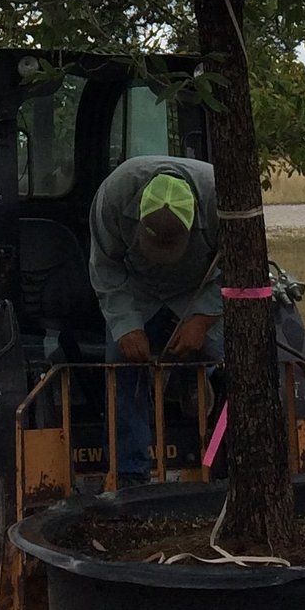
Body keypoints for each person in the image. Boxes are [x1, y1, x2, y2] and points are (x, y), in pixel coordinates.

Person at [88, 155, 223, 482]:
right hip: (137, 291)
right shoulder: (113, 196)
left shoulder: (220, 199)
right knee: (121, 367)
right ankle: (129, 475)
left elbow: (242, 266)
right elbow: (104, 266)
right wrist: (126, 326)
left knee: (232, 364)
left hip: (198, 290)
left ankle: (225, 462)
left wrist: (203, 317)